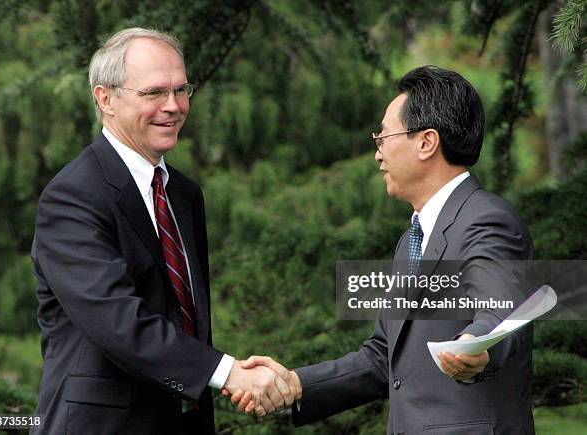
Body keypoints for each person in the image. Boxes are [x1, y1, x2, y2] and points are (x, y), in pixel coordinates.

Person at [231, 65, 535, 434]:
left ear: (426, 142)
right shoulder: (411, 240)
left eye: (384, 136)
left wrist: (476, 344)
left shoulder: (487, 220)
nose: (377, 154)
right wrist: (297, 384)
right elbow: (382, 358)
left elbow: (501, 308)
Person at [31, 28, 294, 435]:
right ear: (105, 99)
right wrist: (228, 373)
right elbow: (119, 322)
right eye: (153, 93)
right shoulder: (72, 197)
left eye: (181, 90)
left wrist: (218, 378)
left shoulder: (184, 194)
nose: (172, 106)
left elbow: (187, 317)